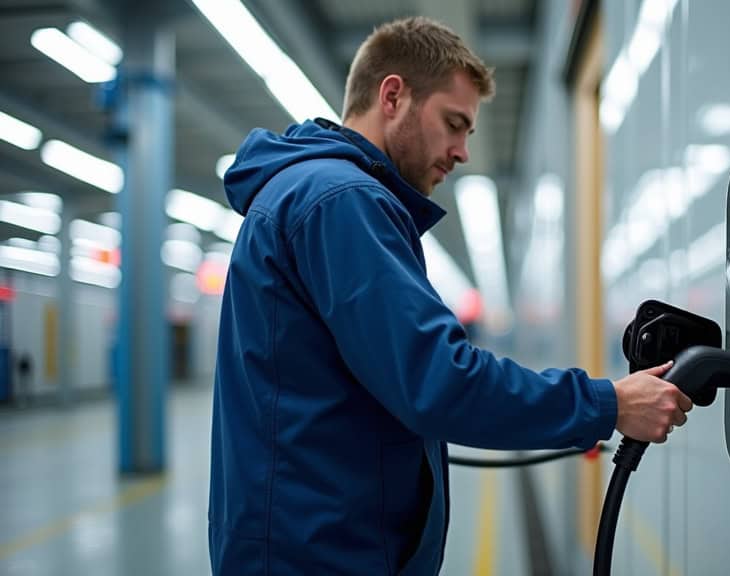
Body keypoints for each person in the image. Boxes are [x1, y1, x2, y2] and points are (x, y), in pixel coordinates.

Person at [209, 16, 692, 575]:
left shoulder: (315, 194)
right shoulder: (341, 201)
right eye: (454, 123)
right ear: (393, 95)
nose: (462, 151)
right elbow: (439, 381)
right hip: (323, 554)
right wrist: (608, 404)